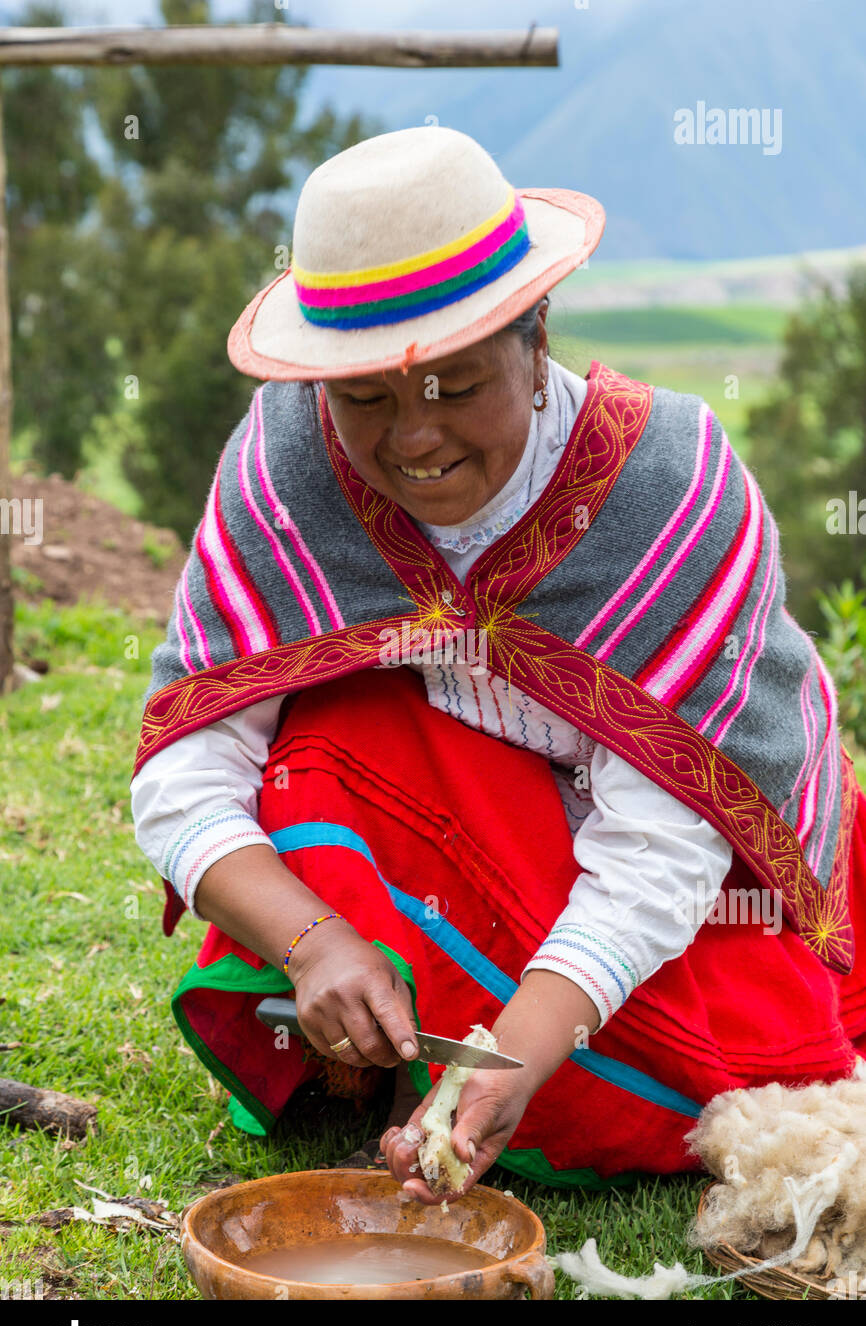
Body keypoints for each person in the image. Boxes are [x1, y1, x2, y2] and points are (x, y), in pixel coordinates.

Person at [131, 125, 866, 1203]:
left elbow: (664, 840)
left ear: (535, 341)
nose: (409, 440)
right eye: (364, 398)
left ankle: (512, 1081)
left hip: (699, 874)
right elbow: (187, 763)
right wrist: (314, 941)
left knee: (689, 1066)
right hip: (466, 807)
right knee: (324, 739)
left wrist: (520, 1046)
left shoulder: (670, 489)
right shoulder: (289, 465)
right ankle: (374, 1039)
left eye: (452, 384)